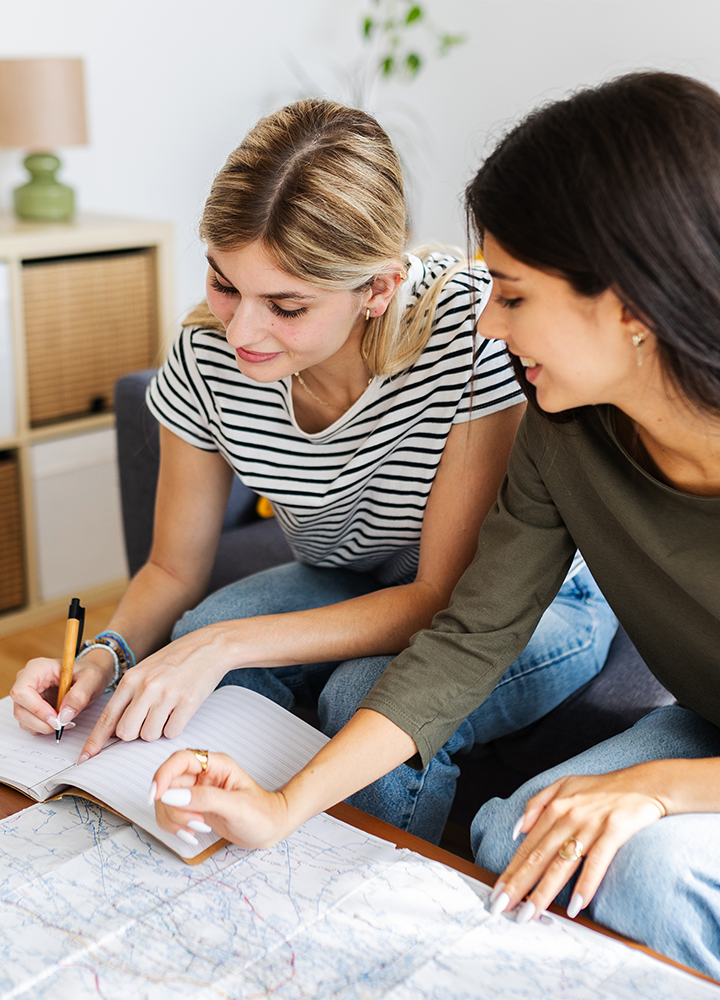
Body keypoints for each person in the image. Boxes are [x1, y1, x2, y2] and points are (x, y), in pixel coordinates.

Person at [150, 73, 720, 981]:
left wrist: (657, 789)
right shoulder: (564, 430)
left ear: (631, 305)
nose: (486, 324)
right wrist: (284, 809)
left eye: (513, 293)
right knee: (517, 838)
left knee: (640, 871)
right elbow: (466, 637)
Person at [12, 98, 614, 845]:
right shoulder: (207, 358)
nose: (242, 332)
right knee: (193, 635)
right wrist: (105, 656)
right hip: (352, 573)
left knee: (355, 691)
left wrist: (225, 644)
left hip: (526, 600)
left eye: (286, 306)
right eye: (224, 283)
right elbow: (170, 568)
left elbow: (444, 600)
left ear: (379, 289)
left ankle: (350, 901)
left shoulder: (467, 334)